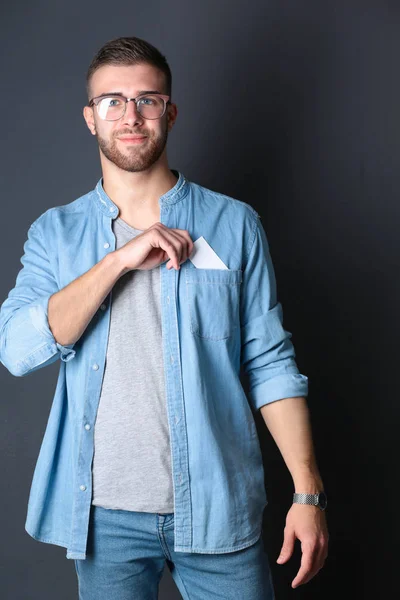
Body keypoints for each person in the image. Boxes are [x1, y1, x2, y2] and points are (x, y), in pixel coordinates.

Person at [0, 36, 329, 599]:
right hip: (104, 518)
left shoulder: (233, 223)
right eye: (112, 101)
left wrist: (307, 493)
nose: (130, 115)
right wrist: (119, 262)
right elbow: (17, 347)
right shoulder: (54, 234)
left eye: (147, 100)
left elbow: (270, 363)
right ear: (90, 118)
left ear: (170, 112)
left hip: (219, 507)